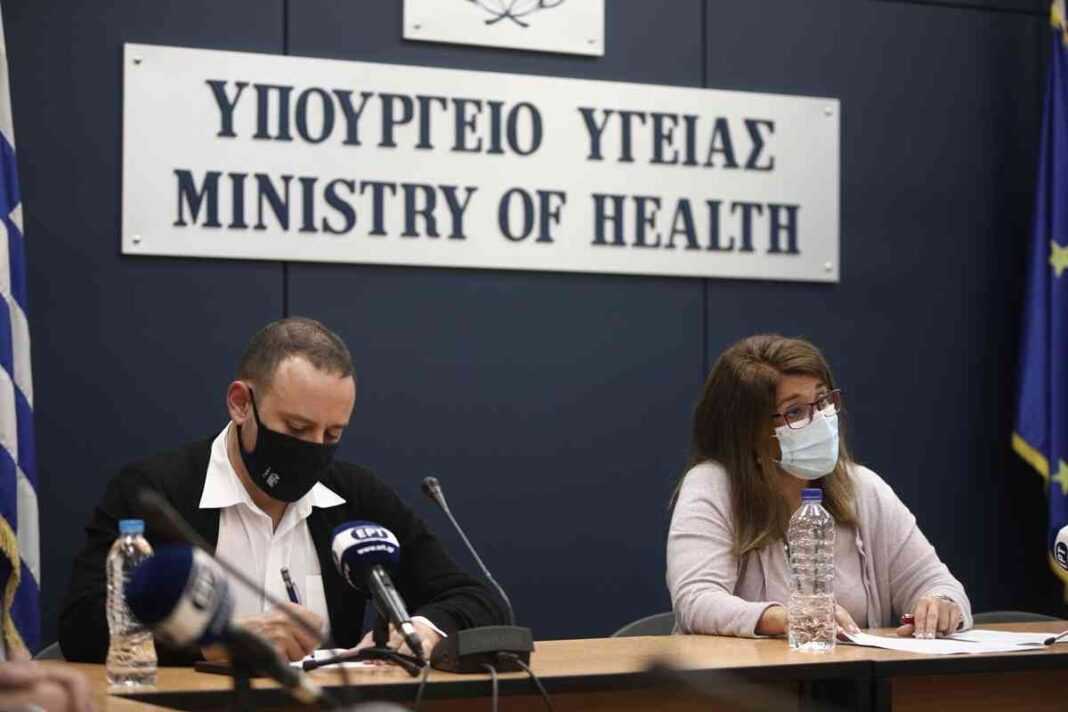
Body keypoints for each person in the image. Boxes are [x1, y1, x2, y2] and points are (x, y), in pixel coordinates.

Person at [59, 317, 506, 664]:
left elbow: (477, 600)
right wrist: (219, 640)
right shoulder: (156, 493)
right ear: (241, 404)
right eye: (296, 428)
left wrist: (425, 630)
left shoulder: (354, 497)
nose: (313, 449)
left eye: (332, 434)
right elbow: (83, 626)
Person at [667, 334, 971, 639]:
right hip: (747, 671)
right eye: (795, 411)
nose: (821, 420)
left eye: (823, 400)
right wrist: (785, 618)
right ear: (747, 432)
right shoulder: (712, 486)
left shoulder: (862, 487)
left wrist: (941, 604)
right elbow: (696, 600)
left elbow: (938, 584)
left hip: (849, 669)